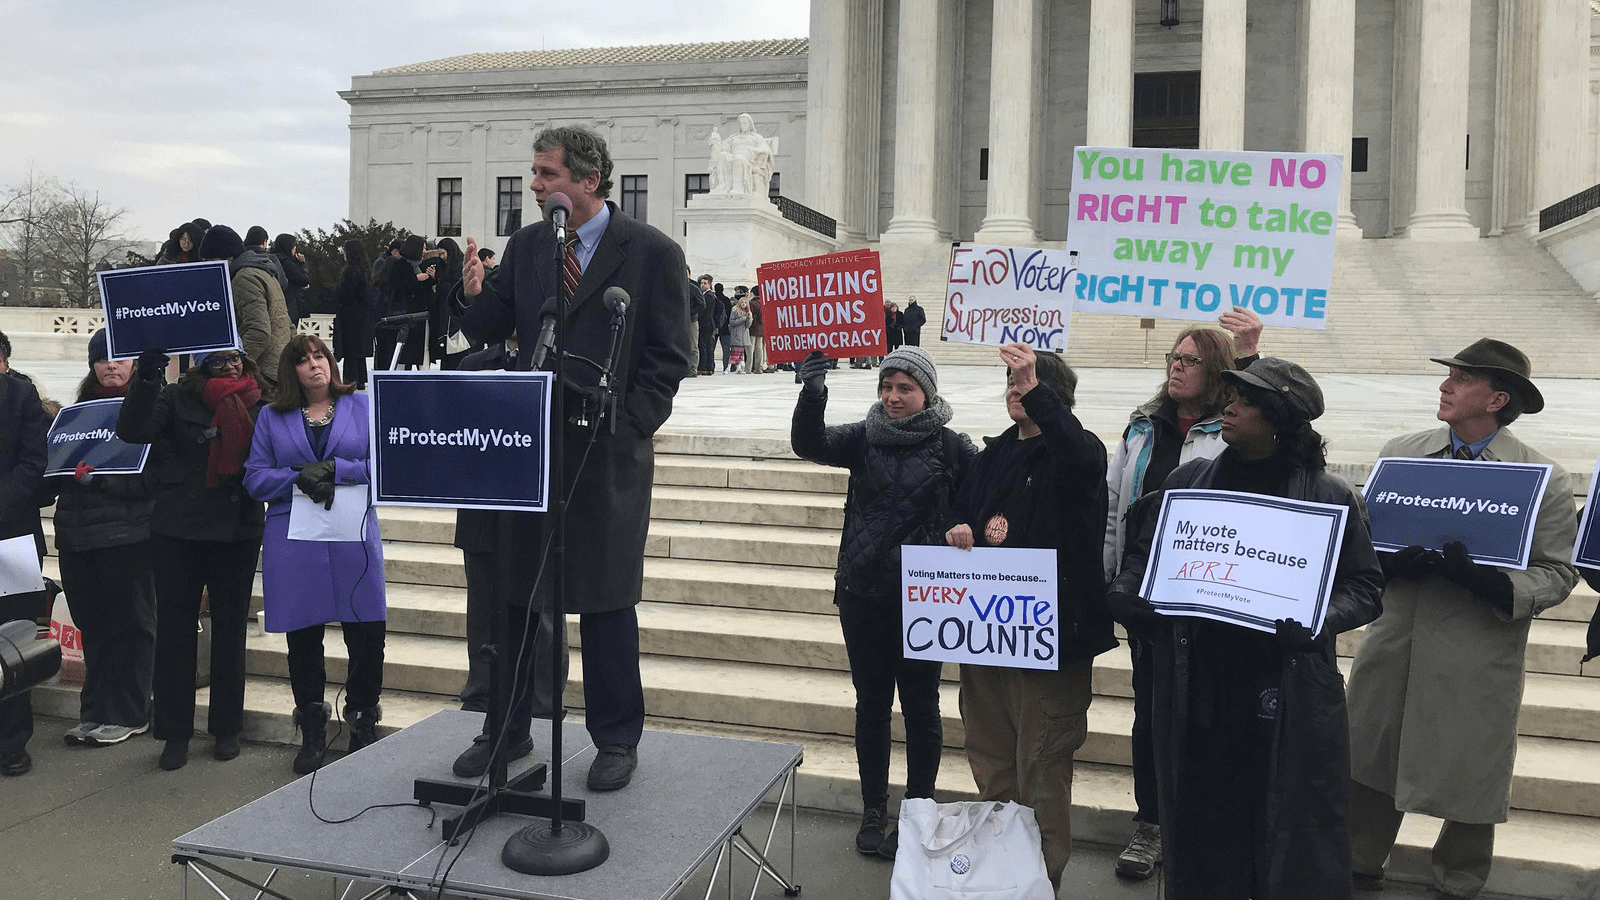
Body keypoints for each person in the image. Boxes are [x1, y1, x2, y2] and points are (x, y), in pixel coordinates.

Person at [456, 124, 693, 791]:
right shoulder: (529, 246)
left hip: (605, 457)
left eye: (547, 175)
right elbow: (486, 327)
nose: (535, 187)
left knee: (607, 605)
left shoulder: (650, 252)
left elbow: (669, 359)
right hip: (529, 455)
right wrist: (473, 290)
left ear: (589, 180)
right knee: (515, 598)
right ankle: (506, 729)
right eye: (534, 175)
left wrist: (628, 425)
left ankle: (616, 739)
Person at [1107, 357, 1385, 900]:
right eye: (1231, 394)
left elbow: (1366, 588)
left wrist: (1313, 621)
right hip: (1200, 684)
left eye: (1247, 400)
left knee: (1283, 828)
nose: (1229, 406)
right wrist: (1126, 593)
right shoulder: (1189, 479)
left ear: (1279, 418)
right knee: (1205, 819)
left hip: (1284, 690)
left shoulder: (1329, 495)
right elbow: (1146, 557)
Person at [1345, 339, 1579, 900]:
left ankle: (1459, 879)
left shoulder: (1542, 477)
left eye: (1461, 378)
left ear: (1497, 398)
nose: (1445, 386)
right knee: (1369, 757)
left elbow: (1558, 573)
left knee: (1473, 772)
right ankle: (1354, 862)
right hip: (1395, 637)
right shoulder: (1401, 454)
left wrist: (1491, 582)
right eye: (1448, 375)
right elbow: (1361, 541)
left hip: (1477, 648)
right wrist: (1385, 561)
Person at [791, 345, 976, 857]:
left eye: (905, 389)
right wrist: (813, 393)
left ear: (926, 393)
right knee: (871, 702)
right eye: (887, 387)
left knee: (920, 705)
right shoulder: (864, 436)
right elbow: (809, 443)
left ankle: (917, 807)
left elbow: (982, 499)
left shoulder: (952, 447)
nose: (893, 398)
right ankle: (873, 806)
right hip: (862, 592)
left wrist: (967, 525)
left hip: (923, 599)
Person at [941, 343, 1113, 889]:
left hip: (1049, 642)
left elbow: (1078, 457)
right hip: (988, 636)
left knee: (1040, 766)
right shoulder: (993, 454)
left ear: (1054, 395)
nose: (1015, 389)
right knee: (991, 762)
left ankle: (1041, 880)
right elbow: (963, 508)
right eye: (1011, 382)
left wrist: (1038, 391)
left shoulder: (1079, 451)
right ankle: (1002, 874)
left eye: (1028, 382)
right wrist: (958, 528)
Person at [1102, 309, 1262, 880]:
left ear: (1216, 370)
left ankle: (1202, 821)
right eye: (1174, 357)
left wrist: (1251, 358)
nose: (1177, 367)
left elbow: (1282, 437)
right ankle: (1152, 823)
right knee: (1151, 715)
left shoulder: (1238, 431)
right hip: (1147, 600)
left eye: (1191, 360)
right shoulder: (1143, 426)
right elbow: (1115, 508)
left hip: (1212, 598)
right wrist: (1111, 581)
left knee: (1210, 715)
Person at [117, 342, 265, 771]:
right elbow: (133, 430)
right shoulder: (176, 395)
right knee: (177, 633)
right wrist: (146, 377)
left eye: (236, 357)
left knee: (231, 629)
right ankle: (174, 732)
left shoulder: (260, 396)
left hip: (236, 529)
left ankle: (226, 728)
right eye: (221, 358)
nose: (230, 364)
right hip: (178, 529)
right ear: (203, 362)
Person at [243, 334, 387, 775]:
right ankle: (311, 726)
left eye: (320, 356)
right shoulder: (271, 417)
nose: (314, 365)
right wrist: (297, 478)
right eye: (303, 360)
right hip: (294, 538)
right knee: (303, 638)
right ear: (293, 372)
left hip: (353, 537)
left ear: (331, 362)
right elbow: (254, 477)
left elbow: (385, 467)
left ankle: (362, 720)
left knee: (365, 632)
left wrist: (337, 470)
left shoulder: (362, 406)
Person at [450, 338, 570, 777]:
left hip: (539, 517)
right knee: (486, 623)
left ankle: (538, 709)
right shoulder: (474, 366)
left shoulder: (568, 366)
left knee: (539, 619)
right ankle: (496, 724)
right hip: (484, 517)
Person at [51, 331, 157, 748]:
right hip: (77, 539)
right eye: (102, 359)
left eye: (119, 358)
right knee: (93, 629)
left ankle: (131, 712)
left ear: (133, 364)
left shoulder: (150, 411)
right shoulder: (75, 415)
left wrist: (104, 480)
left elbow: (153, 479)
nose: (110, 366)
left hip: (129, 535)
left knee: (132, 626)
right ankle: (95, 712)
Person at [0, 330, 49, 776]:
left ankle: (13, 742)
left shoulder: (21, 397)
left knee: (14, 639)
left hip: (11, 537)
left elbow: (34, 464)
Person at [198, 225, 292, 396]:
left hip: (263, 375)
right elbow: (285, 321)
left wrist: (234, 365)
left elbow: (259, 331)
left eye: (209, 262)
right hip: (277, 368)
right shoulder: (262, 272)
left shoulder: (244, 279)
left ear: (224, 259)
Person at [333, 240, 371, 390]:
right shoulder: (365, 270)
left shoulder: (351, 271)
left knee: (350, 352)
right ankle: (360, 380)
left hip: (350, 317)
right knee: (358, 353)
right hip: (362, 316)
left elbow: (345, 293)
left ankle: (350, 381)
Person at [272, 233, 312, 327]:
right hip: (290, 305)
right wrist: (303, 264)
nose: (295, 249)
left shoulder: (272, 259)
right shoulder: (287, 262)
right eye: (293, 246)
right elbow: (303, 279)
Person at [696, 275, 717, 376]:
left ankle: (704, 367)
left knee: (704, 345)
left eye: (705, 283)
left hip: (706, 323)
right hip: (708, 323)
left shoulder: (708, 296)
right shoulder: (708, 295)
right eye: (702, 283)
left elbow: (705, 311)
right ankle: (708, 367)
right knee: (708, 345)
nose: (702, 285)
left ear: (709, 284)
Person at [727, 291, 751, 373]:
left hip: (743, 335)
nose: (744, 303)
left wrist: (749, 318)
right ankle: (728, 367)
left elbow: (748, 326)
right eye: (742, 302)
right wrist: (742, 319)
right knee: (735, 352)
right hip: (736, 334)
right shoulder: (734, 310)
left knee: (741, 353)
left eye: (745, 302)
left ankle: (739, 368)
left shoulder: (746, 312)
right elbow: (732, 322)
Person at [748, 284, 769, 374]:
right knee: (759, 349)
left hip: (753, 327)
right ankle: (759, 367)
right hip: (761, 328)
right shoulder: (764, 302)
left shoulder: (752, 303)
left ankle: (749, 367)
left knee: (751, 349)